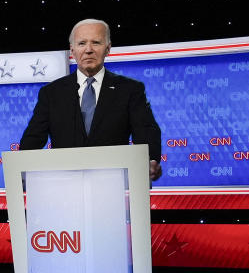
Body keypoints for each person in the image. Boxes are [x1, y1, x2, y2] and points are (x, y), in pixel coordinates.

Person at [19, 19, 162, 181]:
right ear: (72, 50)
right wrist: (20, 166)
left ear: (108, 49)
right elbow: (32, 139)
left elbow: (146, 132)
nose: (88, 50)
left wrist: (150, 161)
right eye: (81, 43)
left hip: (114, 185)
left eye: (96, 42)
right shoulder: (51, 93)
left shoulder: (130, 90)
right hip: (63, 187)